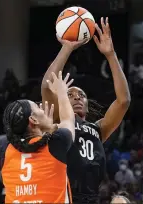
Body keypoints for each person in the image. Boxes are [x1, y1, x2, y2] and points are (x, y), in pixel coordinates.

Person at [42, 17, 131, 203]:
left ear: (88, 105)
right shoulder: (59, 121)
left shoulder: (98, 129)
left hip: (91, 198)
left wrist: (111, 54)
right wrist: (66, 47)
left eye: (81, 95)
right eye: (71, 94)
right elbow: (47, 86)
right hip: (62, 194)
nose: (76, 97)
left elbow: (123, 101)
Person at [0, 72, 75, 203]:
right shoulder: (56, 143)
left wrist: (46, 130)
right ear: (33, 120)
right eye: (38, 107)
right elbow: (68, 120)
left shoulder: (9, 151)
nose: (42, 108)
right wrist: (62, 92)